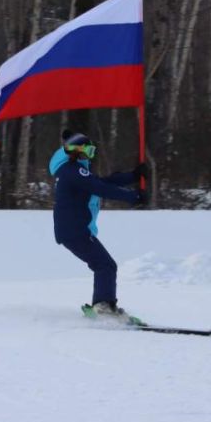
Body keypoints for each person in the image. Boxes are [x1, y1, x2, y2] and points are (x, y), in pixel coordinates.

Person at [48, 129, 149, 323]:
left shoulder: (71, 169)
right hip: (75, 231)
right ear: (78, 150)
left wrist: (132, 176)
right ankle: (103, 307)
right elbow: (101, 188)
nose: (91, 155)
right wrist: (133, 197)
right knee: (105, 265)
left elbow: (100, 181)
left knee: (104, 265)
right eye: (89, 150)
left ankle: (104, 304)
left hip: (73, 230)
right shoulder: (73, 171)